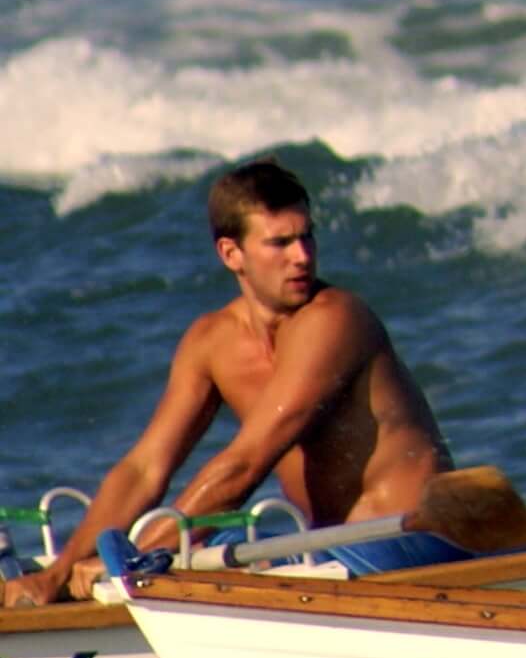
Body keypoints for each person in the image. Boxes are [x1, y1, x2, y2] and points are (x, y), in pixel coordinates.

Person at [5, 158, 458, 607]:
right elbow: (144, 469)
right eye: (280, 243)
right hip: (329, 552)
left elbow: (246, 464)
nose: (302, 256)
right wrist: (62, 570)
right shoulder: (211, 342)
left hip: (413, 548)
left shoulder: (335, 319)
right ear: (231, 254)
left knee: (183, 555)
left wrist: (139, 554)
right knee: (205, 546)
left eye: (307, 236)